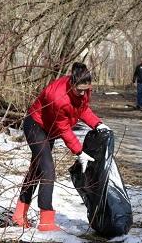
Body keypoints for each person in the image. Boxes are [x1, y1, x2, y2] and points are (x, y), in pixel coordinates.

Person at [12, 62, 111, 231]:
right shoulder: (58, 98)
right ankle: (46, 221)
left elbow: (82, 109)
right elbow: (63, 128)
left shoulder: (83, 90)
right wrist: (79, 152)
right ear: (71, 84)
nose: (82, 93)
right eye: (79, 90)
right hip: (36, 125)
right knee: (47, 170)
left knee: (37, 169)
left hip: (49, 128)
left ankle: (19, 213)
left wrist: (97, 124)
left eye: (85, 90)